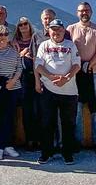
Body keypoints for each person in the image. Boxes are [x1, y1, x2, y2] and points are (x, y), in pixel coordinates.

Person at [35, 19, 81, 165]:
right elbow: (38, 65)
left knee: (68, 123)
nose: (56, 32)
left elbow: (77, 64)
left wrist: (66, 78)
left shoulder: (70, 45)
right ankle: (46, 153)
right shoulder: (44, 45)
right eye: (53, 30)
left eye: (59, 30)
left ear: (63, 31)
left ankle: (67, 153)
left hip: (69, 90)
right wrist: (50, 77)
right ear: (49, 31)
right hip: (49, 90)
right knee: (47, 122)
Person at [67, 2, 96, 154]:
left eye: (87, 10)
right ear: (77, 13)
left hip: (94, 73)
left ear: (91, 12)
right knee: (76, 108)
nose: (84, 13)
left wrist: (89, 65)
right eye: (81, 11)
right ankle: (77, 141)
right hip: (75, 73)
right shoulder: (70, 29)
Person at [0, 24, 24, 160]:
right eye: (0, 34)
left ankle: (9, 145)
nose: (2, 37)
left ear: (9, 37)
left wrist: (13, 81)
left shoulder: (13, 50)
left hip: (13, 88)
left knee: (10, 117)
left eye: (5, 34)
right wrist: (1, 82)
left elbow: (19, 67)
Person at [13, 16, 40, 151]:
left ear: (30, 25)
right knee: (27, 110)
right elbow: (11, 59)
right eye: (20, 25)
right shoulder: (15, 42)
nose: (23, 26)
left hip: (36, 77)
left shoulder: (36, 39)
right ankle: (29, 139)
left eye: (25, 24)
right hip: (22, 78)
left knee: (38, 109)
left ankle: (39, 139)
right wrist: (22, 54)